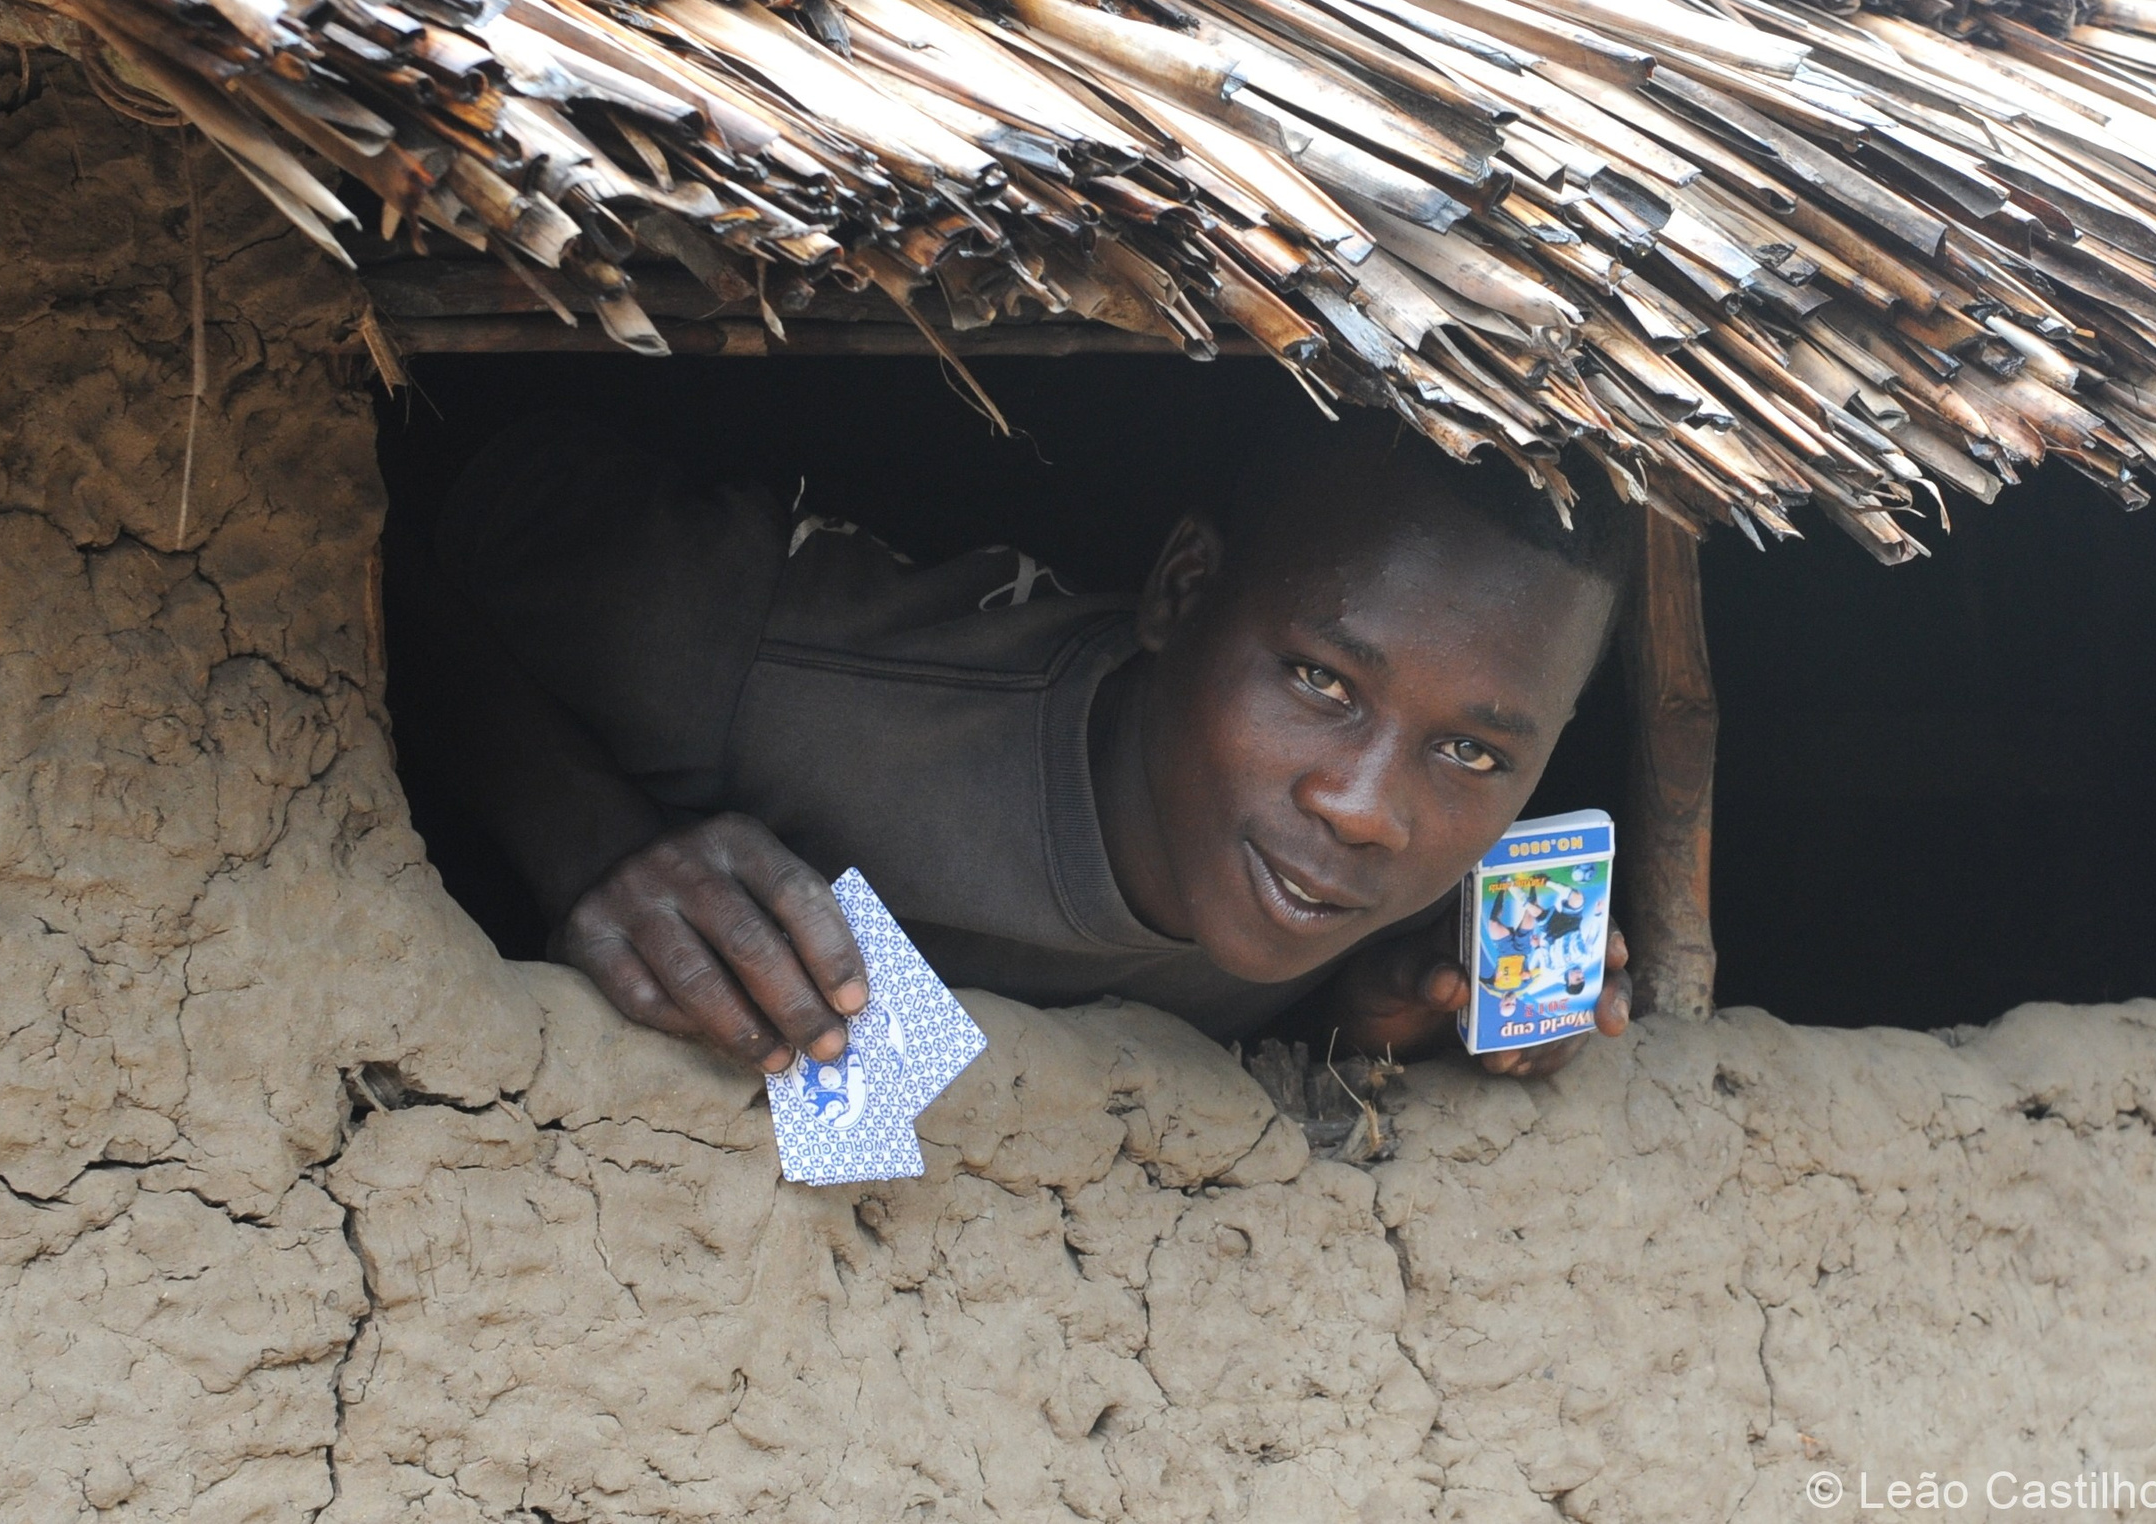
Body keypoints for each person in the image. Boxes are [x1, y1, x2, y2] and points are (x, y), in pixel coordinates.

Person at [425, 402, 1635, 1083]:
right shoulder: (768, 660)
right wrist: (589, 839)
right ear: (1181, 590)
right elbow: (374, 523)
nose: (1369, 809)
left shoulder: (1425, 911)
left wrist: (1356, 1016)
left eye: (1475, 754)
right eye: (1320, 680)